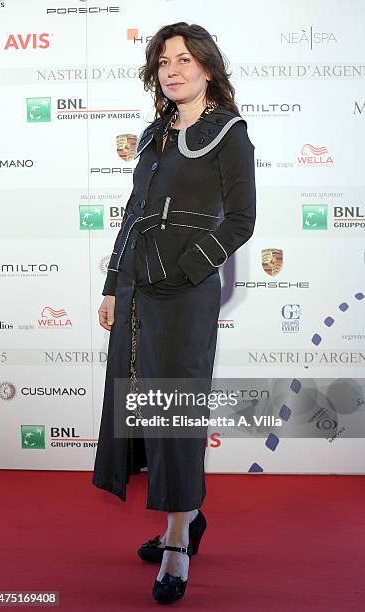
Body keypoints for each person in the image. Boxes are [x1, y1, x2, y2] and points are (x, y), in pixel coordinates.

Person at [92, 21, 256, 604]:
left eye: (184, 59)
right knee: (145, 409)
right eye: (164, 61)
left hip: (184, 295)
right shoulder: (154, 135)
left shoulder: (229, 134)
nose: (172, 69)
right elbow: (134, 211)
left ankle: (179, 541)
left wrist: (184, 273)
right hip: (137, 290)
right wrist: (115, 284)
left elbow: (241, 222)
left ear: (207, 68)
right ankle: (182, 520)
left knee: (175, 413)